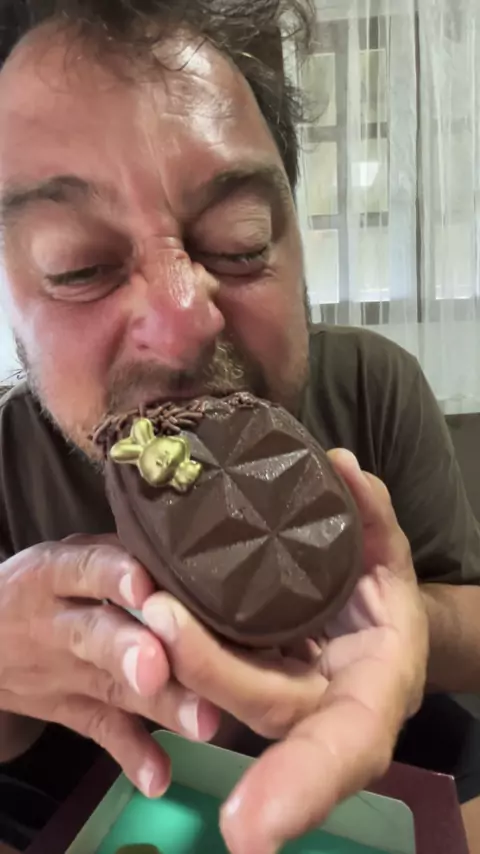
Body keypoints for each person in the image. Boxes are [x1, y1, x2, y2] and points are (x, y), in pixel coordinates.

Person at [0, 1, 479, 852]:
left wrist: (392, 619)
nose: (185, 319)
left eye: (240, 242)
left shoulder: (373, 386)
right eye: (79, 265)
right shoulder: (6, 464)